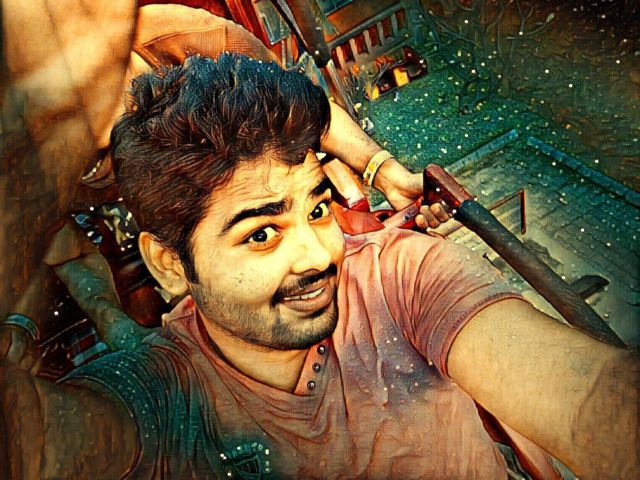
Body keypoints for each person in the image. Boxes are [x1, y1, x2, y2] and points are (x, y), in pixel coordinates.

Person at [1, 53, 637, 479]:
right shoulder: (157, 397)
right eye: (261, 234)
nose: (319, 253)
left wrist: (379, 167)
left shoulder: (400, 276)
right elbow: (39, 447)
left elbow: (586, 399)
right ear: (169, 264)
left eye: (317, 207)